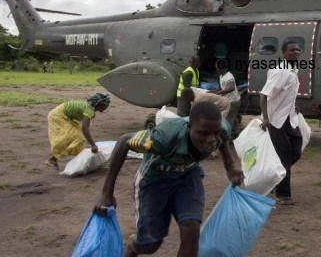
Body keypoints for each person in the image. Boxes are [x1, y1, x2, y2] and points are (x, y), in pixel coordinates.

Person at [93, 102, 244, 257]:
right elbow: (123, 142)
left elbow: (223, 139)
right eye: (203, 133)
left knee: (191, 231)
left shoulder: (221, 129)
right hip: (154, 181)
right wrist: (106, 194)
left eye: (215, 133)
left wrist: (230, 167)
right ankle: (133, 246)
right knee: (150, 244)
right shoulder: (164, 137)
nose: (211, 140)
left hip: (187, 176)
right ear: (189, 126)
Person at [260, 40, 303, 205]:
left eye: (297, 49)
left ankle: (274, 178)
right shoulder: (280, 72)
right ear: (284, 53)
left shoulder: (292, 70)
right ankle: (283, 194)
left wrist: (293, 105)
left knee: (296, 149)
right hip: (276, 121)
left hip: (289, 118)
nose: (296, 52)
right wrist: (265, 118)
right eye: (292, 49)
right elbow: (263, 95)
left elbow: (287, 93)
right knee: (284, 156)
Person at [46, 93, 111, 170]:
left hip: (66, 117)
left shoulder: (89, 109)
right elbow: (85, 128)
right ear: (99, 104)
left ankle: (80, 162)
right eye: (106, 104)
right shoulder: (89, 111)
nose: (107, 106)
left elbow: (86, 128)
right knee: (74, 138)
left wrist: (91, 143)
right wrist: (93, 144)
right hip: (58, 116)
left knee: (80, 139)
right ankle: (52, 159)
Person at [210, 60, 241, 137]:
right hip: (229, 100)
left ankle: (227, 136)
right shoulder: (221, 76)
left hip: (233, 101)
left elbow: (231, 88)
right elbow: (221, 88)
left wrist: (219, 93)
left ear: (222, 68)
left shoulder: (229, 76)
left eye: (217, 68)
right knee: (233, 117)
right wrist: (213, 91)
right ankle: (235, 132)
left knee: (229, 119)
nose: (216, 69)